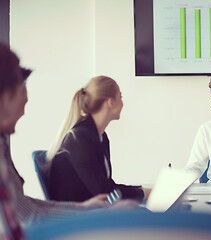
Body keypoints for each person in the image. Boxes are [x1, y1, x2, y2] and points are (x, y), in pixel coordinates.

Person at [0, 43, 133, 238]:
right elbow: (29, 218)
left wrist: (82, 208)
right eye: (21, 92)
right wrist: (96, 214)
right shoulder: (80, 138)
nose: (26, 103)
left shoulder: (2, 145)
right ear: (5, 98)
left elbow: (26, 207)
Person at [47, 76, 150, 202]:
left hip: (94, 210)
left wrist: (142, 190)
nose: (122, 103)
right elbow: (103, 191)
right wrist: (143, 193)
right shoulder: (80, 139)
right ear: (110, 102)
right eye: (120, 97)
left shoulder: (100, 137)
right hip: (79, 216)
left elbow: (106, 185)